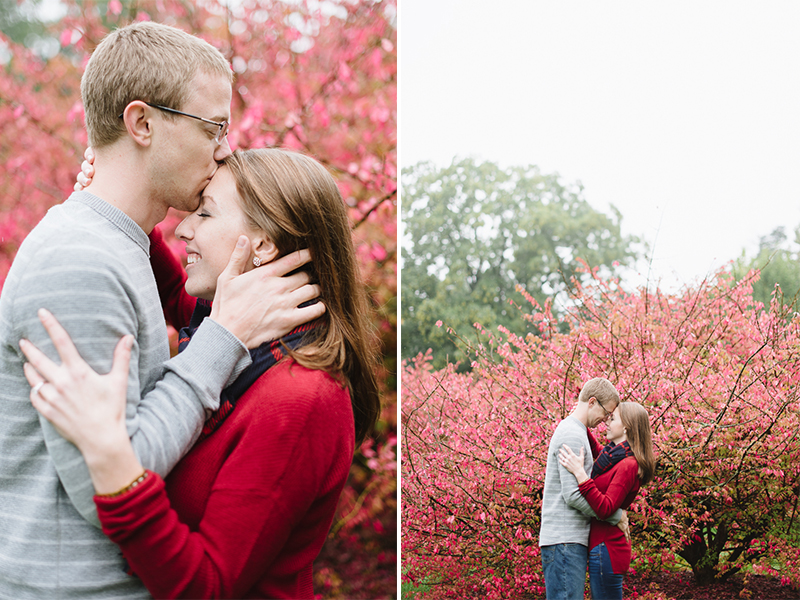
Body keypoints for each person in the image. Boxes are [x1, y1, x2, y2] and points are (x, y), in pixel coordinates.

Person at [0, 22, 323, 598]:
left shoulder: (117, 246)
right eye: (214, 126)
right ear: (142, 123)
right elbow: (116, 477)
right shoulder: (81, 263)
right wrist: (222, 336)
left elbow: (182, 303)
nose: (225, 147)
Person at [21, 147, 380, 599]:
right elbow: (177, 292)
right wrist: (117, 196)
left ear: (263, 245)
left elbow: (208, 586)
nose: (183, 228)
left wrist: (116, 467)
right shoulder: (246, 335)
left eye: (205, 215)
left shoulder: (301, 400)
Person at [539, 377, 628, 600]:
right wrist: (614, 517)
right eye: (606, 413)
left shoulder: (575, 430)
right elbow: (572, 495)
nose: (605, 420)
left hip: (566, 540)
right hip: (564, 541)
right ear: (592, 402)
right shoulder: (572, 433)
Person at [559, 402, 655, 600]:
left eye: (612, 419)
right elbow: (598, 450)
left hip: (607, 549)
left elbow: (605, 508)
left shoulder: (629, 465)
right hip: (602, 546)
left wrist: (580, 475)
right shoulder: (615, 455)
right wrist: (581, 415)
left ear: (626, 426)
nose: (606, 423)